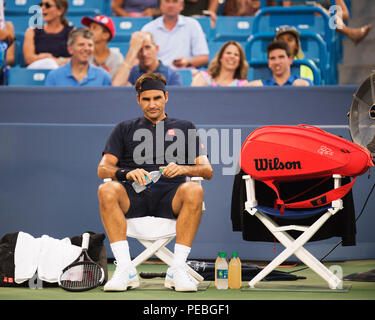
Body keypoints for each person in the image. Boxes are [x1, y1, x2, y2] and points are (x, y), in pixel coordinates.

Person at [97, 72, 213, 292]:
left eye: (157, 98)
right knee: (107, 189)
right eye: (146, 99)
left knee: (194, 190)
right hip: (134, 198)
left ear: (166, 97)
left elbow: (207, 170)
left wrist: (183, 168)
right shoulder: (123, 128)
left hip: (171, 198)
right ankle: (125, 269)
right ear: (139, 100)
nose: (152, 104)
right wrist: (126, 173)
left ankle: (177, 269)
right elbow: (103, 169)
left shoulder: (185, 127)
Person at [141, 0, 209, 69]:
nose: (171, 5)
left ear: (182, 6)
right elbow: (139, 58)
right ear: (160, 5)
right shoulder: (148, 28)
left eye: (175, 1)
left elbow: (204, 57)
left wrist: (188, 62)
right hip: (157, 75)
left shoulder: (193, 25)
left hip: (184, 73)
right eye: (167, 1)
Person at [281, 0, 372, 45]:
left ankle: (351, 33)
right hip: (297, 25)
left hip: (321, 27)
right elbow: (285, 13)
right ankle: (350, 33)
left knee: (332, 17)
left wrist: (324, 12)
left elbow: (345, 13)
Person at [45, 28, 111, 86]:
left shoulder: (103, 76)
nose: (86, 48)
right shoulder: (54, 76)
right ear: (70, 49)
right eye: (81, 45)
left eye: (90, 45)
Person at [112, 31, 182, 86]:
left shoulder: (172, 75)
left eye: (148, 47)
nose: (144, 54)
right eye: (139, 49)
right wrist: (132, 50)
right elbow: (116, 87)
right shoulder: (130, 73)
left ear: (156, 49)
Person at [23, 0, 73, 69]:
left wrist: (53, 60)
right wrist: (48, 60)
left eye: (47, 5)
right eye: (41, 5)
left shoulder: (72, 32)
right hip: (37, 72)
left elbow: (76, 59)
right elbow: (29, 59)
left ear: (60, 10)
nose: (42, 8)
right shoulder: (31, 31)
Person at [247, 41, 312, 86]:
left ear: (290, 60)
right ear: (269, 63)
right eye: (272, 58)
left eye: (281, 57)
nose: (277, 62)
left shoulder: (303, 83)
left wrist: (306, 86)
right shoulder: (261, 86)